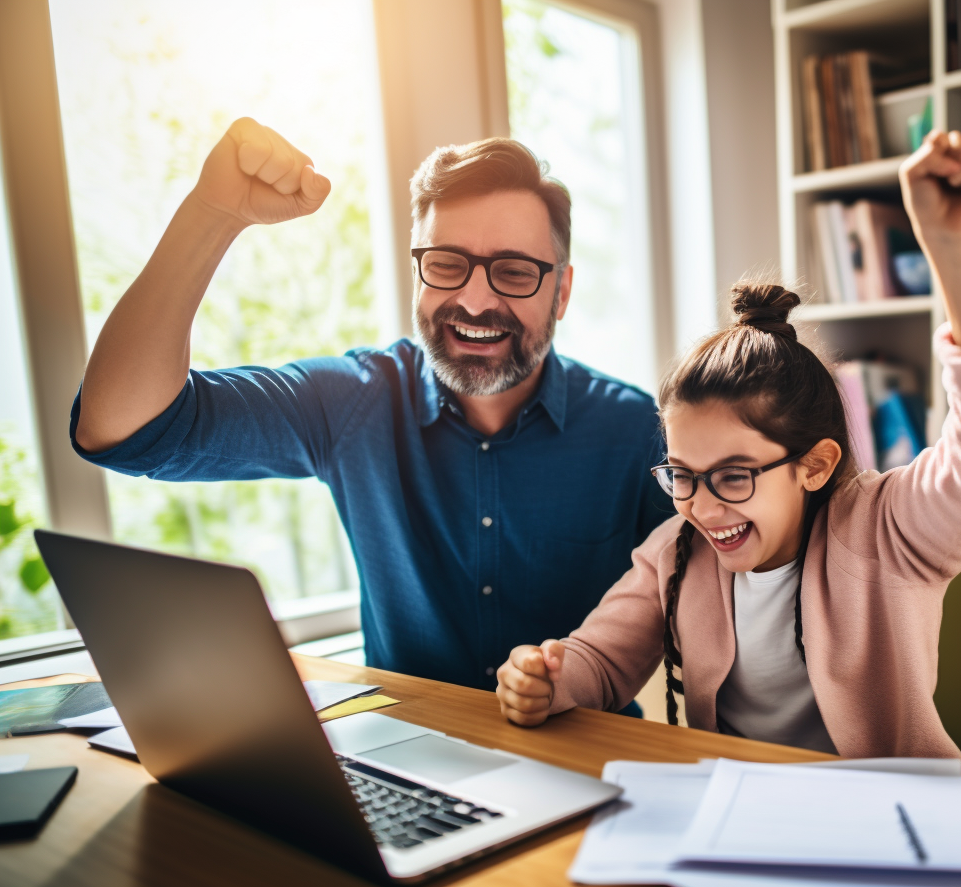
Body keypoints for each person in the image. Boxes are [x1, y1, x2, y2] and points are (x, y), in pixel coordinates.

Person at [71, 118, 671, 693]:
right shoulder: (355, 400)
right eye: (446, 264)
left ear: (561, 291)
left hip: (584, 766)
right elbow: (124, 428)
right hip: (409, 771)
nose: (476, 299)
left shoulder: (636, 434)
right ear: (418, 274)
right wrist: (212, 215)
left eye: (514, 272)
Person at [495, 130, 961, 758]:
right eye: (681, 475)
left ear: (814, 465)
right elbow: (602, 659)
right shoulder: (675, 554)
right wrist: (551, 678)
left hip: (882, 822)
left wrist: (949, 245)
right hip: (741, 816)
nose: (701, 506)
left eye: (733, 476)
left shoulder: (888, 531)